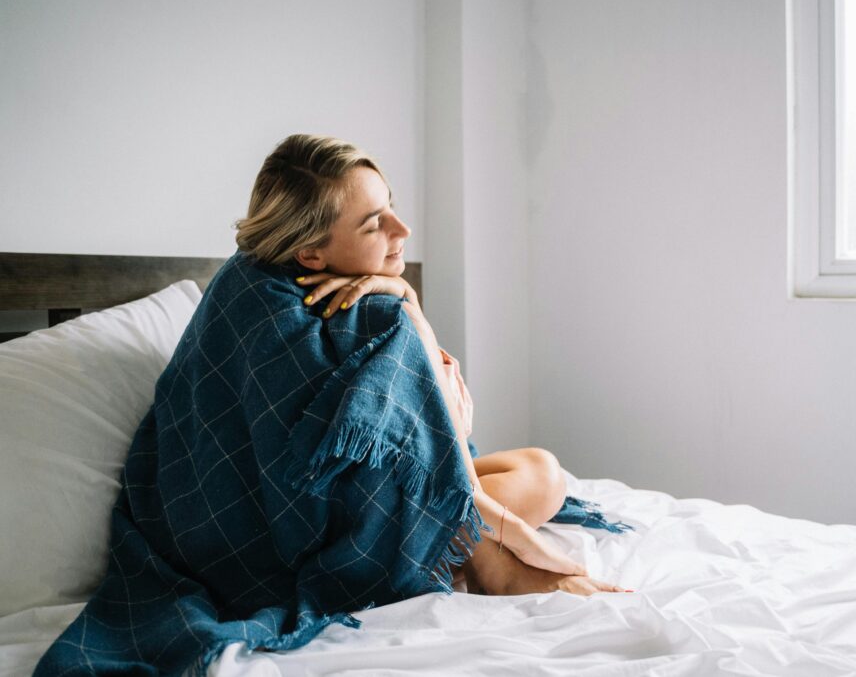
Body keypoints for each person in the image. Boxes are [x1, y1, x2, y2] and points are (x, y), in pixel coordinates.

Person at [236, 134, 624, 597]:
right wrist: (503, 523)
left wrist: (413, 305)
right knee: (532, 484)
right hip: (322, 523)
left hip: (382, 496)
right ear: (311, 253)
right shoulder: (262, 305)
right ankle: (486, 557)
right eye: (375, 223)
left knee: (543, 471)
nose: (403, 231)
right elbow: (315, 472)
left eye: (392, 206)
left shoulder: (370, 292)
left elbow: (432, 436)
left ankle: (468, 539)